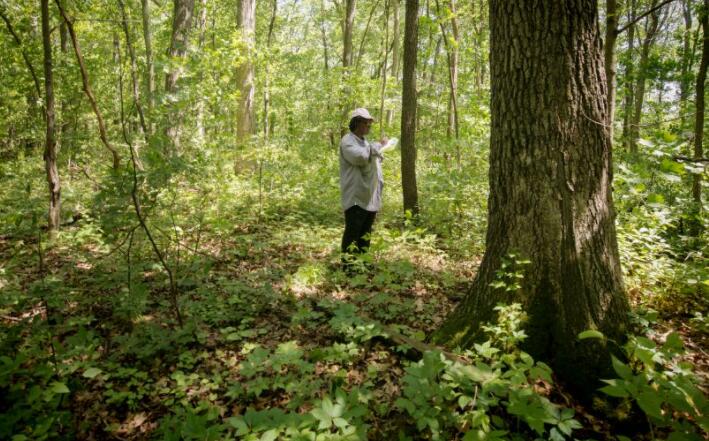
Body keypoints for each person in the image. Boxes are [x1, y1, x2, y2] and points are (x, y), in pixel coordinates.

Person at [339, 108, 388, 270]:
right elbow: (359, 157)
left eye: (370, 123)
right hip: (356, 197)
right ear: (356, 123)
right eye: (366, 122)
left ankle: (363, 265)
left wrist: (379, 150)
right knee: (353, 232)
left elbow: (371, 158)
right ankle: (348, 268)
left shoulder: (364, 142)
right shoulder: (348, 140)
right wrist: (376, 146)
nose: (369, 126)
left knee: (365, 234)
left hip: (369, 196)